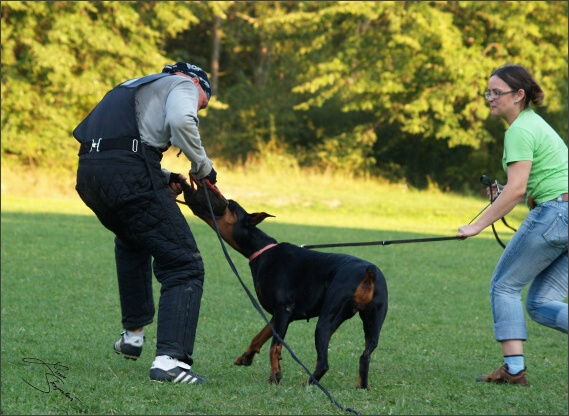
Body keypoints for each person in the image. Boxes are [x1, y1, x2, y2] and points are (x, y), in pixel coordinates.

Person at [73, 62, 217, 384]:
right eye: (202, 103)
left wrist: (163, 176)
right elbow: (181, 121)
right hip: (129, 172)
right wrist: (203, 166)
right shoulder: (181, 84)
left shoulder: (133, 85)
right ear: (195, 82)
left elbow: (118, 146)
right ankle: (171, 363)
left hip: (89, 175)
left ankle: (132, 336)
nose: (198, 108)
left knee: (132, 239)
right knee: (183, 264)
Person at [457, 64, 568, 386]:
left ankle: (514, 370)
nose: (490, 98)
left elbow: (519, 190)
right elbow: (528, 184)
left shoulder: (519, 130)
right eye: (487, 92)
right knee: (540, 303)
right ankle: (514, 368)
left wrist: (476, 226)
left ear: (519, 95)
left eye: (497, 92)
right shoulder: (534, 124)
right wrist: (505, 193)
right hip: (563, 212)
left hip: (555, 214)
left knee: (504, 286)